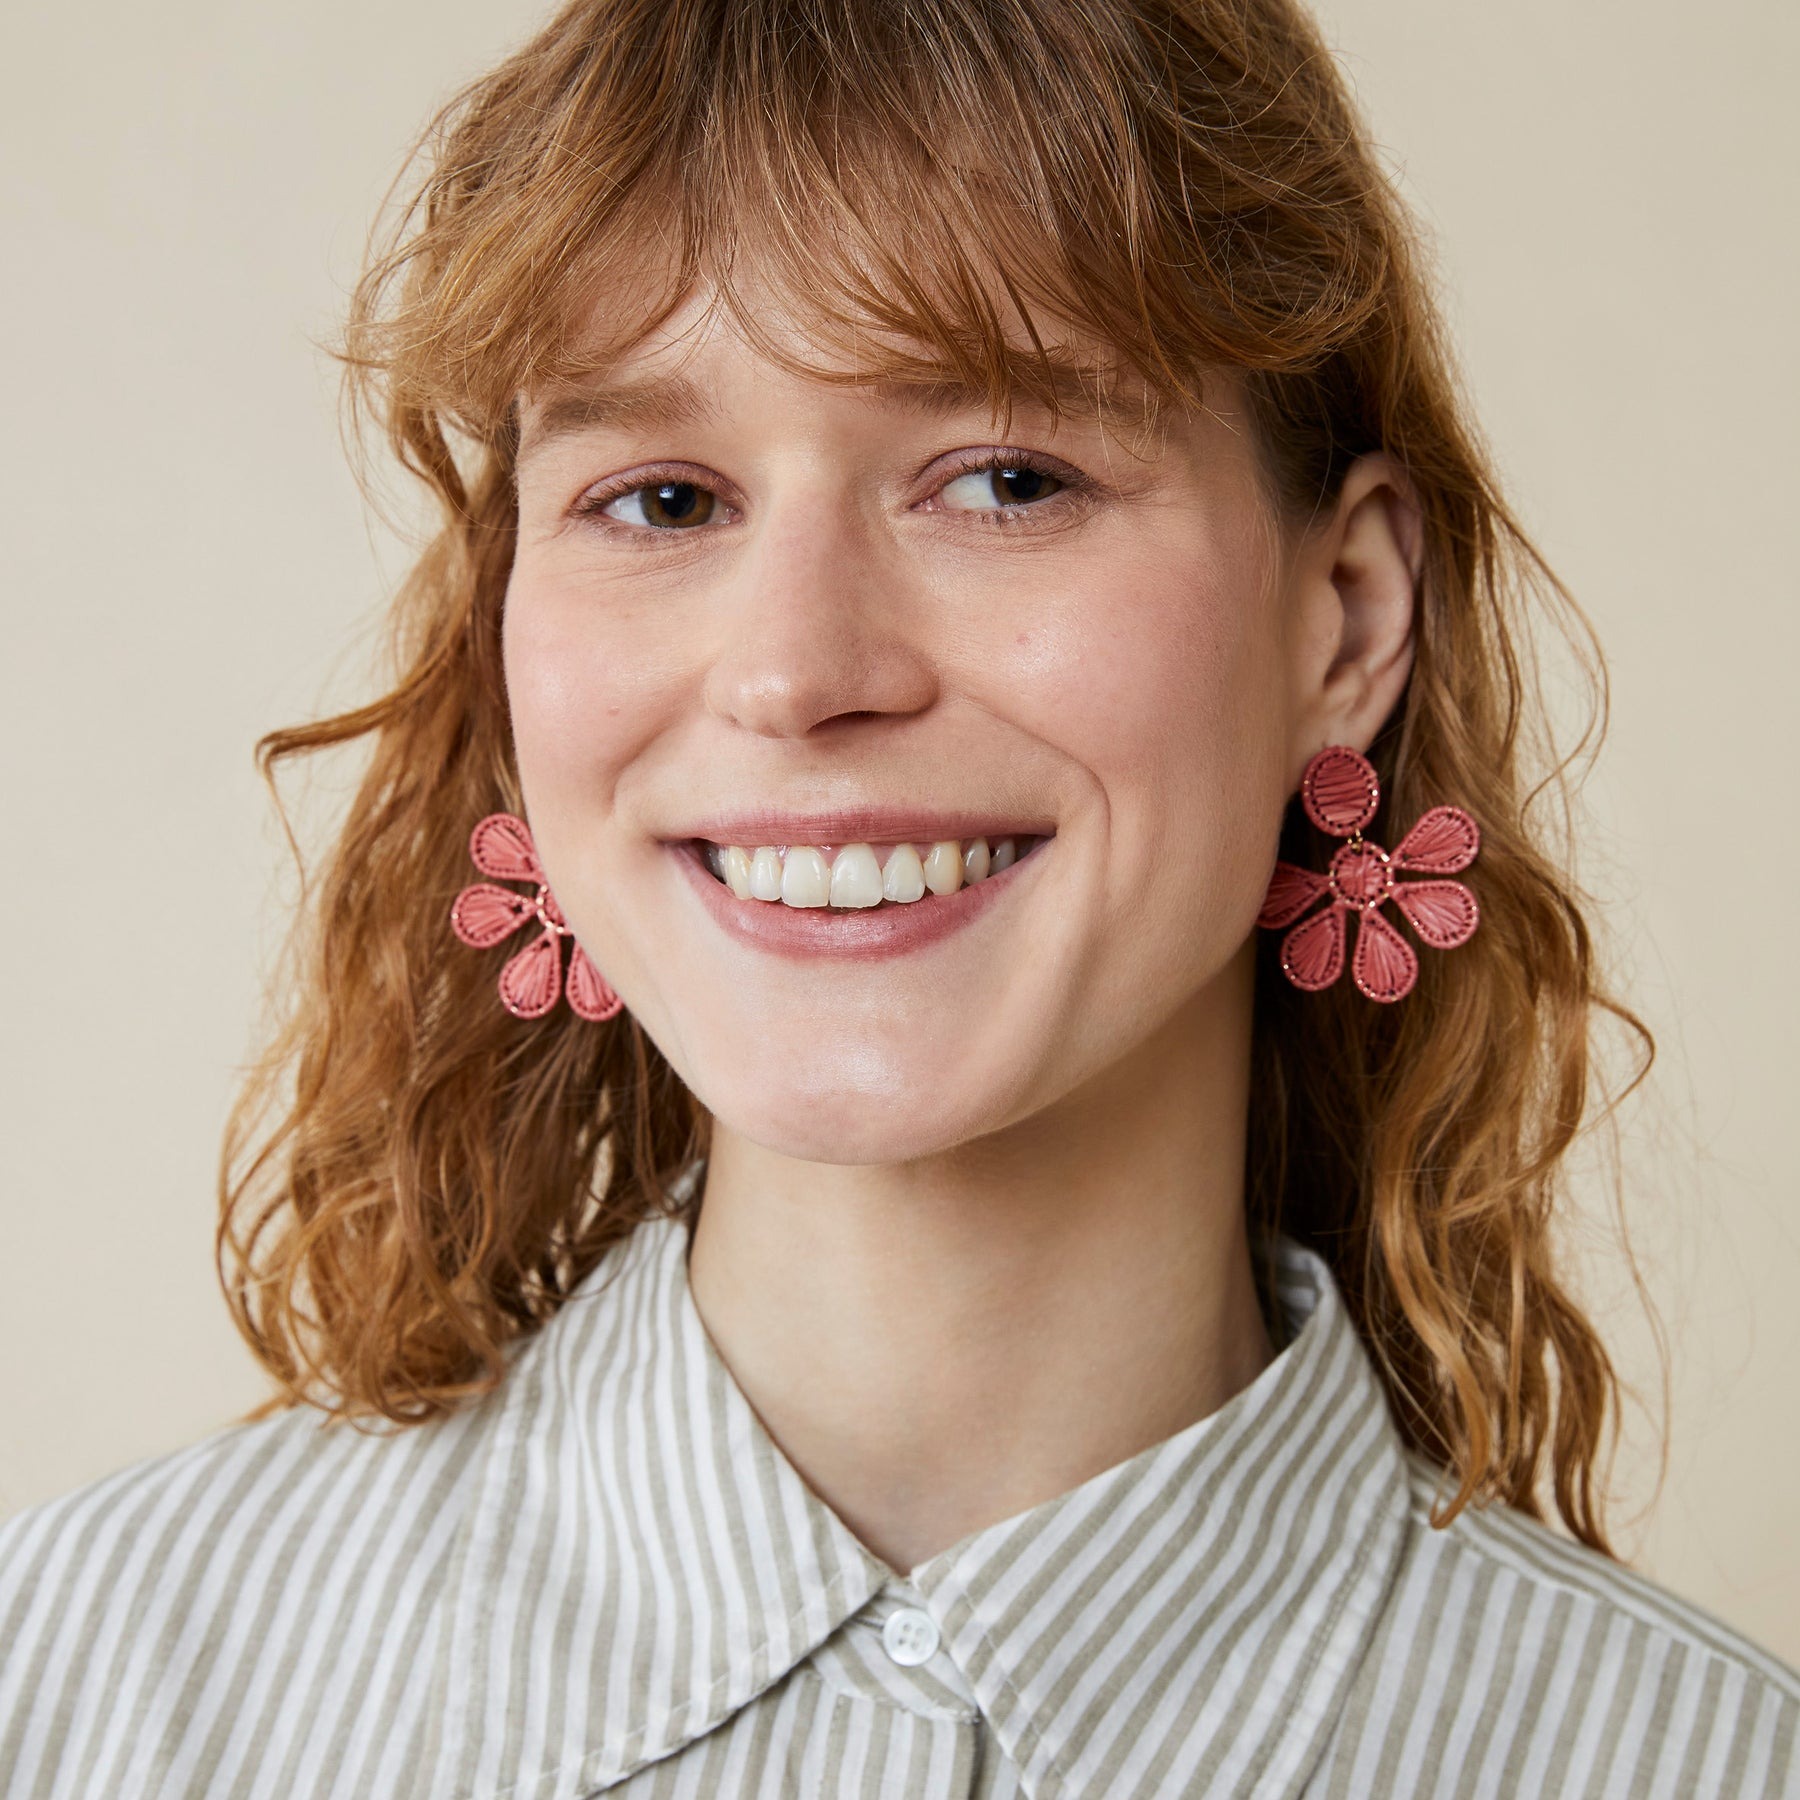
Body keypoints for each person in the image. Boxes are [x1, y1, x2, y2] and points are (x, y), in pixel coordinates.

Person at [2, 0, 1796, 1793]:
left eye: (1008, 481)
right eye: (663, 500)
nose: (797, 672)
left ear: (1345, 622)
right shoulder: (71, 1689)